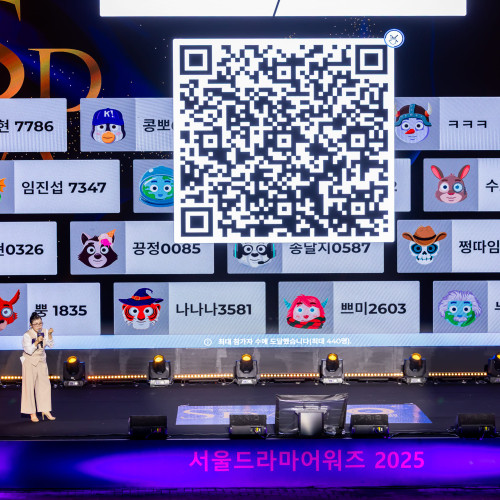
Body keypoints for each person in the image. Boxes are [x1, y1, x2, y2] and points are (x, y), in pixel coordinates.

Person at [21, 312, 56, 422]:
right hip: (29, 361)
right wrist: (36, 342)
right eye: (36, 324)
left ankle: (45, 410)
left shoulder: (44, 331)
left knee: (44, 386)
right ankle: (32, 412)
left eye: (40, 323)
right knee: (29, 387)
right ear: (31, 325)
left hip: (41, 361)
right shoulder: (27, 335)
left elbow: (51, 345)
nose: (39, 326)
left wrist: (49, 335)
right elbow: (28, 350)